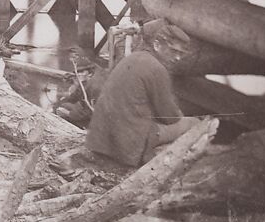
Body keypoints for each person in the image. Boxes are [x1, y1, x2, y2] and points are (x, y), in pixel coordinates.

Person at [84, 20, 202, 169]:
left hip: (100, 139)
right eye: (173, 51)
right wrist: (179, 114)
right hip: (127, 145)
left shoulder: (133, 57)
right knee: (194, 123)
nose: (177, 58)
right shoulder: (158, 69)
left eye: (181, 54)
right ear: (157, 45)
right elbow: (170, 117)